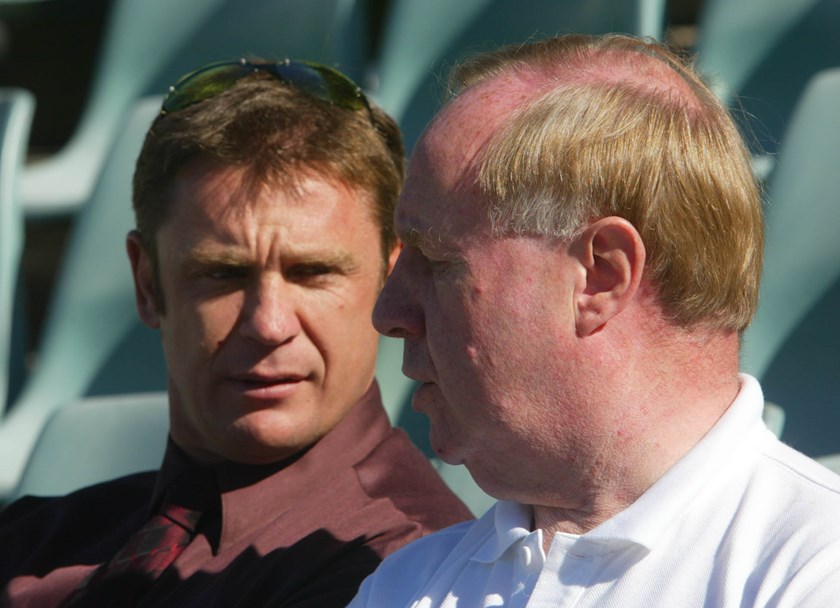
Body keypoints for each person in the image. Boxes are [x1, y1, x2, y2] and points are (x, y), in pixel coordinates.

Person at [350, 34, 840, 607]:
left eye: (436, 262)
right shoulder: (407, 584)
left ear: (601, 275)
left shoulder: (812, 571)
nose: (389, 314)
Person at [0, 58, 472, 607]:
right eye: (222, 274)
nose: (269, 325)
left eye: (312, 272)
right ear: (147, 283)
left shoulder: (415, 575)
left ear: (391, 284)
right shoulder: (36, 536)